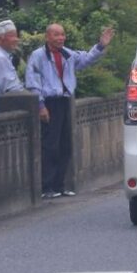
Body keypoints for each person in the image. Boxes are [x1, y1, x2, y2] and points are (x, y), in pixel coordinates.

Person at [26, 23, 115, 199]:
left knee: (65, 144)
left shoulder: (66, 53)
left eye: (62, 34)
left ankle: (60, 185)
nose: (61, 38)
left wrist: (100, 46)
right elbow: (32, 82)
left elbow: (86, 59)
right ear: (47, 37)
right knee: (50, 145)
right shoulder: (38, 56)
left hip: (65, 101)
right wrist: (41, 105)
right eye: (56, 35)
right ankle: (47, 186)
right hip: (50, 102)